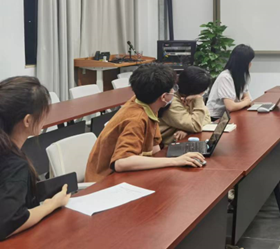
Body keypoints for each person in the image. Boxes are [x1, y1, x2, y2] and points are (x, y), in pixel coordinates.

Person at [85, 63, 205, 183]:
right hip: (106, 181)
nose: (174, 91)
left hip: (128, 175)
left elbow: (154, 149)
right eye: (172, 89)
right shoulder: (136, 118)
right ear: (164, 97)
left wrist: (178, 157)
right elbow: (122, 162)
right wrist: (175, 161)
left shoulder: (148, 104)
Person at [0, 77, 70, 240]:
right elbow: (10, 222)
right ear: (28, 120)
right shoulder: (14, 163)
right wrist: (52, 204)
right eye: (43, 112)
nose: (45, 117)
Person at [159, 66, 212, 146]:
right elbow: (196, 126)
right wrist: (199, 99)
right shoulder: (171, 102)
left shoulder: (192, 97)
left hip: (183, 141)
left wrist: (187, 129)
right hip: (167, 147)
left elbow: (207, 119)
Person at [207, 45, 254, 120]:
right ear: (243, 63)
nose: (251, 64)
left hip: (232, 114)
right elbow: (230, 107)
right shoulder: (225, 77)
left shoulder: (241, 76)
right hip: (217, 118)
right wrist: (245, 102)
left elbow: (248, 98)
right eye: (249, 61)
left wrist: (244, 102)